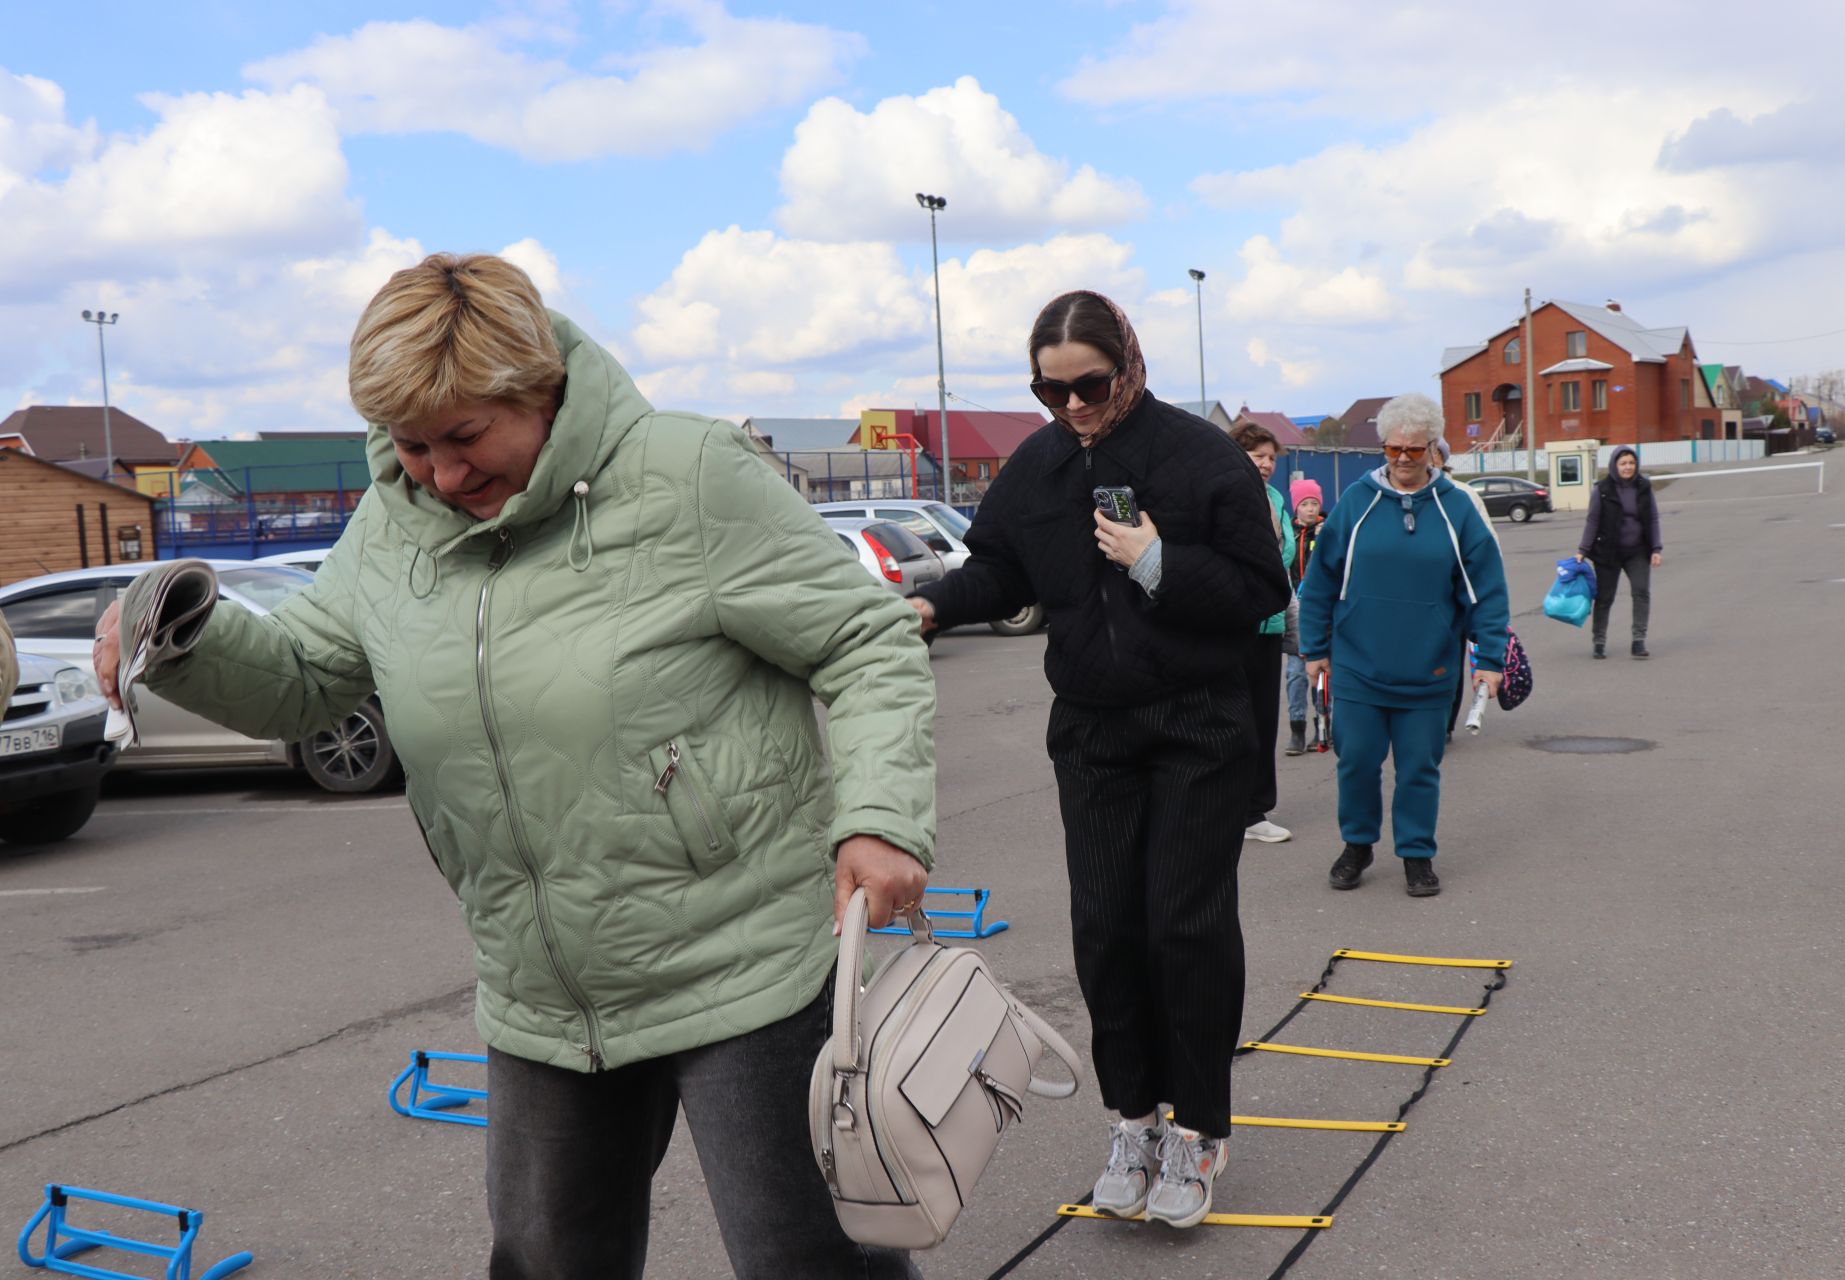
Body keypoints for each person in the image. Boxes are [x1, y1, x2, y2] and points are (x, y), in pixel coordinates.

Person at [92, 254, 937, 1280]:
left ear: (541, 390)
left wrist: (880, 817)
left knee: (810, 1262)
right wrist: (181, 625)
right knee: (542, 1263)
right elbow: (306, 680)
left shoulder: (688, 475)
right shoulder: (392, 525)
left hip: (747, 965)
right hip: (542, 995)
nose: (441, 475)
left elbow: (864, 639)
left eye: (465, 436)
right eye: (410, 444)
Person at [909, 290, 1289, 1229]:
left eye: (1090, 385)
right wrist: (932, 605)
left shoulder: (1200, 457)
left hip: (1199, 722)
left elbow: (1261, 588)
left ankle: (1198, 1129)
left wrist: (1159, 561)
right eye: (1051, 391)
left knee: (1183, 926)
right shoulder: (1038, 467)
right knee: (1106, 929)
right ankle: (1134, 1120)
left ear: (1129, 364)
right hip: (1093, 729)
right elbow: (1000, 567)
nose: (1073, 406)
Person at [1297, 393, 1508, 898]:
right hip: (1357, 666)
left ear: (1433, 448)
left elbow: (1485, 590)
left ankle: (1417, 853)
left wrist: (1490, 657)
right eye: (1394, 449)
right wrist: (1314, 649)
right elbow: (1320, 582)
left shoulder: (1456, 508)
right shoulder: (1356, 502)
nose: (1404, 460)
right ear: (1384, 448)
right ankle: (1357, 845)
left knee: (1418, 770)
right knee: (1356, 763)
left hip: (1428, 669)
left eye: (1415, 450)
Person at [1227, 420, 1296, 843]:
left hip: (1269, 623)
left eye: (1271, 458)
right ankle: (1228, 806)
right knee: (1231, 720)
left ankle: (1255, 810)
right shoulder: (1225, 494)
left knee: (1264, 719)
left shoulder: (1276, 499)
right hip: (1232, 623)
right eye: (1258, 456)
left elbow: (1283, 552)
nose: (1267, 464)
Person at [1430, 438, 1500, 737]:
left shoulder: (1463, 494)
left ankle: (1445, 723)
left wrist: (1486, 589)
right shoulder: (1408, 494)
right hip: (1421, 595)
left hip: (1455, 594)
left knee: (1449, 658)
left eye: (1432, 451)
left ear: (1441, 458)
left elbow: (1489, 544)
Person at [1577, 445, 1663, 659]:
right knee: (1605, 598)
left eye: (1631, 463)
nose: (1628, 467)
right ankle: (1599, 642)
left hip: (1638, 551)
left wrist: (1656, 548)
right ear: (1615, 465)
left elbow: (1652, 518)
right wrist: (1583, 550)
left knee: (1641, 593)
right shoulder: (1602, 489)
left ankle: (1638, 641)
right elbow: (1593, 520)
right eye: (1623, 463)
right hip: (1608, 552)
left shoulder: (1643, 487)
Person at [1282, 479, 1326, 755]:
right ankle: (1297, 729)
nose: (1310, 509)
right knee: (1295, 673)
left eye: (1314, 503)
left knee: (1320, 674)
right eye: (1305, 504)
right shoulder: (1289, 533)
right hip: (1294, 610)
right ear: (1295, 507)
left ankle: (1323, 726)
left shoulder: (1326, 532)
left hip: (1318, 612)